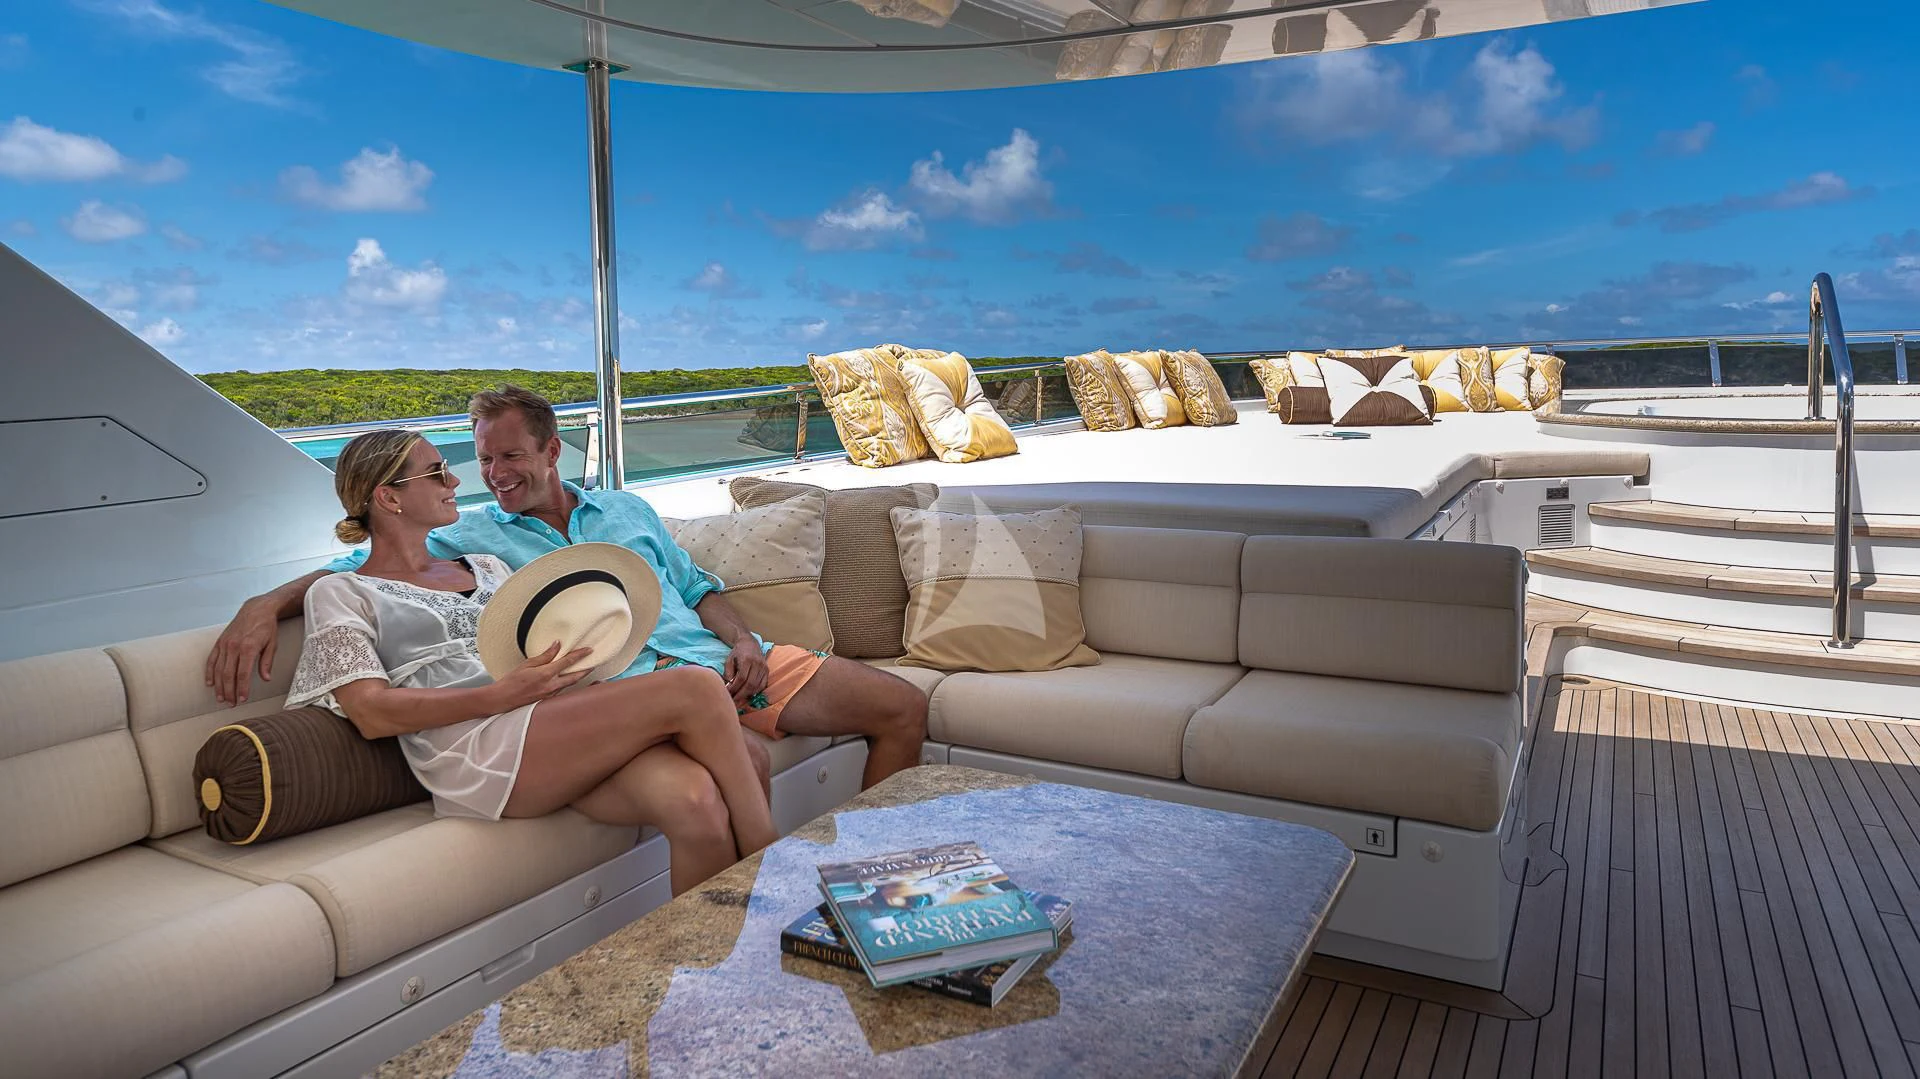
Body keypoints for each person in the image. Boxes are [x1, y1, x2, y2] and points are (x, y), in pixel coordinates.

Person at [208, 385, 928, 793]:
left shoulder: (627, 508)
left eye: (511, 456)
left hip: (724, 661)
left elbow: (699, 587)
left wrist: (742, 641)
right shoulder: (470, 535)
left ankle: (877, 872)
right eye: (483, 458)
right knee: (741, 767)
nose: (493, 474)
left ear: (554, 450)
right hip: (632, 688)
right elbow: (358, 569)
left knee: (901, 706)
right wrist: (262, 605)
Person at [283, 429, 776, 894]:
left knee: (696, 801)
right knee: (693, 687)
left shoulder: (487, 568)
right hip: (476, 748)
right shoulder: (341, 592)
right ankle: (778, 876)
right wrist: (498, 696)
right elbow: (370, 712)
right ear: (389, 498)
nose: (457, 480)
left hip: (550, 725)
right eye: (437, 473)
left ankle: (718, 973)